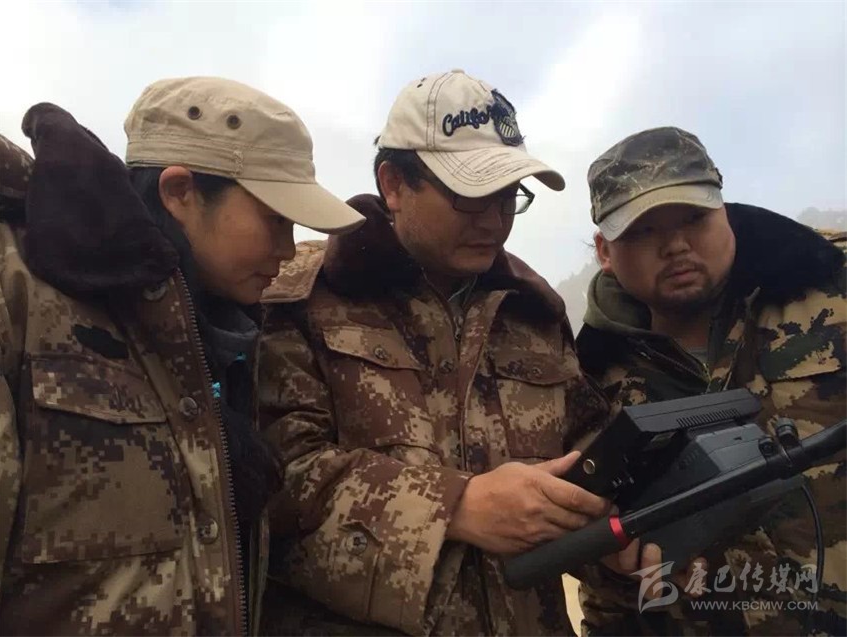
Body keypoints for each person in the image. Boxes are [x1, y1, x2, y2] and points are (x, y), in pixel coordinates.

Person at [255, 69, 665, 636]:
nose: (494, 221)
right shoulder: (297, 297)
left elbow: (587, 465)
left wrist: (616, 541)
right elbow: (271, 482)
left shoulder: (533, 313)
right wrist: (455, 506)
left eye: (509, 196)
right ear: (394, 184)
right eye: (470, 196)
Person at [0, 77, 364, 635]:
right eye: (275, 219)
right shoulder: (17, 297)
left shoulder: (228, 340)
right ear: (179, 192)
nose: (289, 249)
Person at [575, 126, 846, 636]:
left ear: (724, 211)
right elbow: (602, 573)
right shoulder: (585, 378)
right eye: (642, 231)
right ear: (605, 251)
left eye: (694, 218)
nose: (676, 245)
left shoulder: (831, 289)